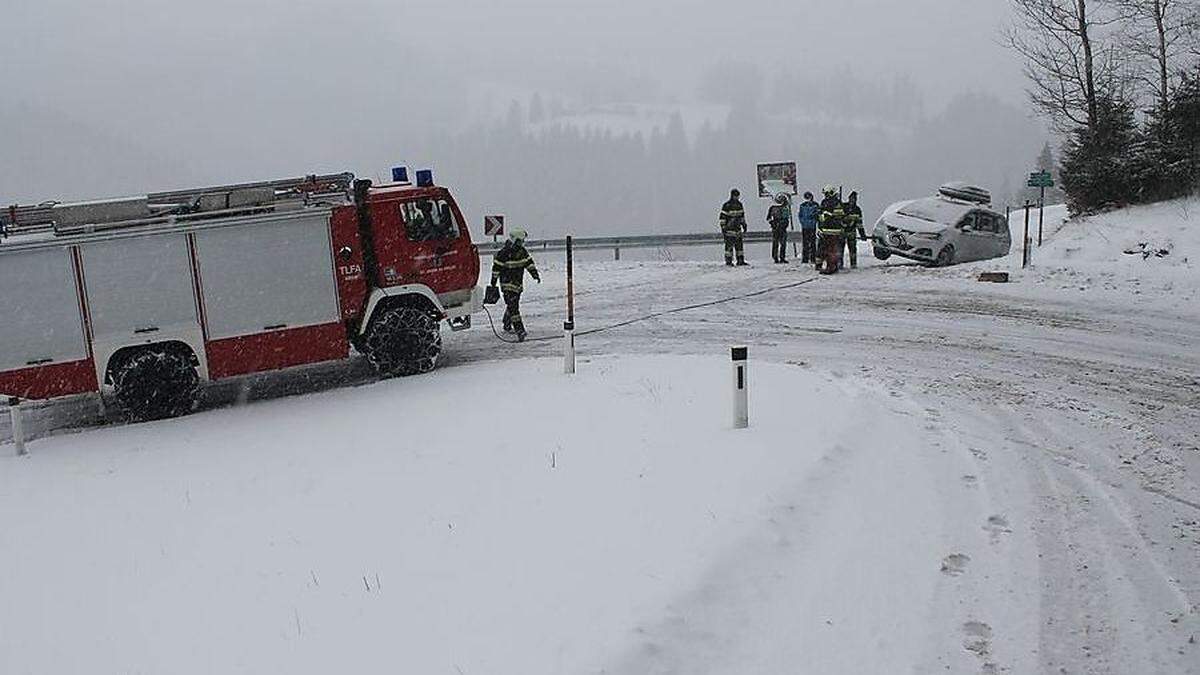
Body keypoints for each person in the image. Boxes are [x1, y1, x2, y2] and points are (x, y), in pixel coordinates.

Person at [489, 228, 540, 341]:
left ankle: (507, 322)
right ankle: (520, 330)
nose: (522, 243)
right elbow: (496, 269)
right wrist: (493, 283)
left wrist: (535, 274)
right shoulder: (503, 253)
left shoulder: (522, 251)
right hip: (507, 285)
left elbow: (529, 263)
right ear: (515, 240)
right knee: (513, 308)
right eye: (520, 241)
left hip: (517, 285)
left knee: (513, 304)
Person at [817, 185, 846, 275]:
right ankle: (828, 265)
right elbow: (820, 215)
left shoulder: (837, 203)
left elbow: (839, 216)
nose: (826, 195)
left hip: (834, 230)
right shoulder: (824, 202)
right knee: (826, 249)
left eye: (827, 193)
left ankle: (831, 267)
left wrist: (828, 215)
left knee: (832, 250)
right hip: (825, 230)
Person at [719, 188, 749, 266]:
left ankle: (740, 260)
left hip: (738, 229)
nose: (737, 197)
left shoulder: (740, 205)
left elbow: (742, 216)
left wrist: (744, 225)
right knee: (729, 247)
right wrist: (723, 227)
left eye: (738, 196)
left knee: (739, 246)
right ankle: (728, 261)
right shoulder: (726, 205)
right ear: (732, 195)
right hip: (729, 229)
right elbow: (722, 217)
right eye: (736, 196)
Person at [841, 191, 865, 269]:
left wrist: (862, 234)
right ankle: (839, 264)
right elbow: (837, 219)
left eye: (854, 199)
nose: (852, 200)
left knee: (852, 249)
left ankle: (853, 264)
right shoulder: (843, 207)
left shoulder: (857, 210)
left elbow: (859, 224)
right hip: (842, 232)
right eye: (851, 199)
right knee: (840, 249)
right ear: (849, 199)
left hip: (852, 232)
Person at [767, 193, 791, 263]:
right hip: (777, 227)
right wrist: (773, 223)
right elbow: (768, 218)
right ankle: (776, 257)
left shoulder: (784, 208)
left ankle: (780, 257)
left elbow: (786, 218)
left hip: (782, 227)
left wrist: (783, 224)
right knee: (777, 243)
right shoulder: (773, 208)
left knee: (781, 243)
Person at [797, 191, 820, 264]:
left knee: (812, 243)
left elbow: (817, 214)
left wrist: (813, 221)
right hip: (804, 227)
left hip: (812, 227)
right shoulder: (802, 205)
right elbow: (800, 215)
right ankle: (805, 258)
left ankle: (813, 258)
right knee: (805, 243)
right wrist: (802, 222)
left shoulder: (815, 205)